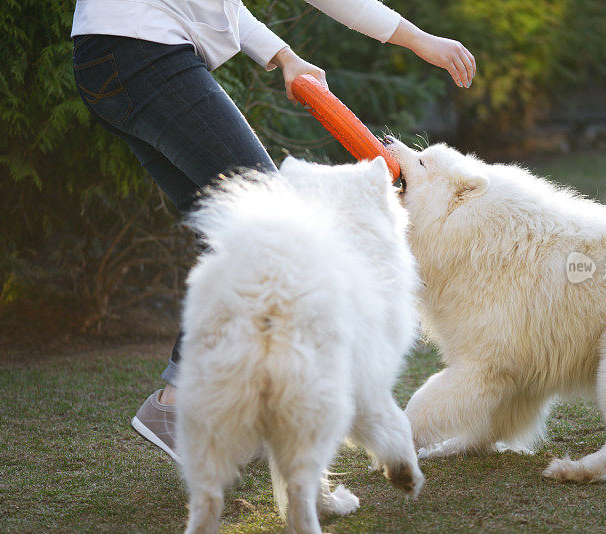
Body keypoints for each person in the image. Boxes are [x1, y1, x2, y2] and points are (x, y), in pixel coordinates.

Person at [71, 0, 476, 463]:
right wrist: (423, 42)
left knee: (232, 232)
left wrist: (283, 55)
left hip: (109, 57)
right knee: (268, 215)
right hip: (143, 50)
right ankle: (184, 404)